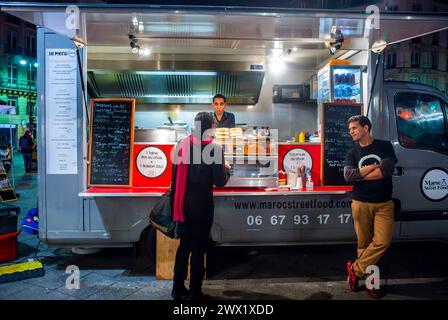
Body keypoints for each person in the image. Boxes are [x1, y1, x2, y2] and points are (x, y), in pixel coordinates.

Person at [171, 112, 231, 301]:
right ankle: (195, 293)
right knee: (199, 248)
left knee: (184, 247)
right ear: (211, 127)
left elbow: (174, 178)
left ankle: (177, 289)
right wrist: (227, 169)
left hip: (182, 204)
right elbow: (220, 181)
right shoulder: (214, 148)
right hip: (202, 205)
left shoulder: (181, 145)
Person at [343, 115, 397, 299]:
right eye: (350, 129)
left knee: (382, 242)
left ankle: (355, 269)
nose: (351, 132)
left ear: (366, 128)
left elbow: (386, 170)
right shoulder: (352, 152)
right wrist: (373, 166)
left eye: (354, 128)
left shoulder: (385, 146)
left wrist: (360, 174)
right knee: (364, 245)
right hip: (360, 203)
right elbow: (349, 176)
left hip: (383, 204)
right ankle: (371, 284)